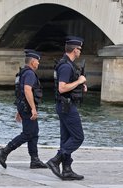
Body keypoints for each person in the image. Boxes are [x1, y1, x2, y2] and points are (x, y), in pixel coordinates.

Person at [0, 49, 48, 169]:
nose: (38, 64)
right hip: (28, 107)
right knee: (28, 133)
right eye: (38, 61)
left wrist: (19, 110)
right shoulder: (29, 73)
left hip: (23, 106)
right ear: (33, 62)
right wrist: (33, 109)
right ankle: (4, 151)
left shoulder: (22, 73)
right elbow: (27, 90)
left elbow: (19, 92)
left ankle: (34, 160)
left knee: (34, 132)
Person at [47, 36, 87, 180]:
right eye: (79, 49)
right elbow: (62, 88)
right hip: (67, 106)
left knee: (66, 139)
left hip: (65, 105)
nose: (80, 52)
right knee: (78, 137)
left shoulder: (67, 64)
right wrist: (79, 81)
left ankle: (67, 170)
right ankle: (55, 160)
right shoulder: (65, 66)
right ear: (74, 50)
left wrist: (80, 86)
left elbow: (68, 86)